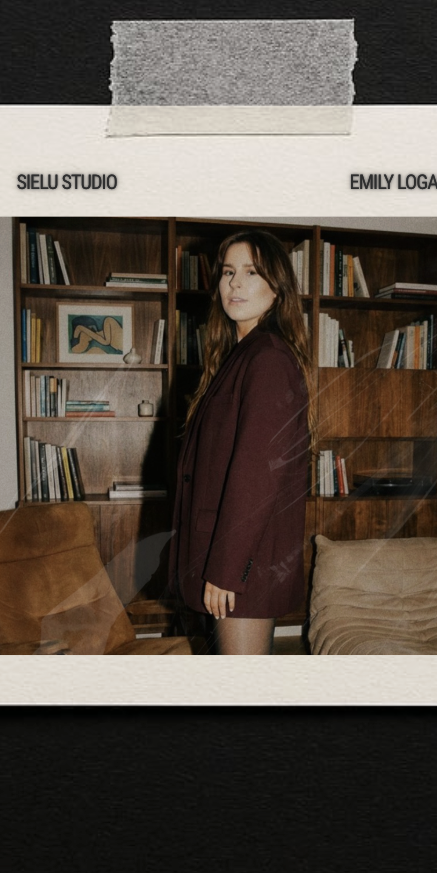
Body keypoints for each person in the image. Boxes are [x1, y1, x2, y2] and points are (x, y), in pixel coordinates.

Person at [168, 229, 314, 655]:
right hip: (228, 558)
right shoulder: (241, 355)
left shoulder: (267, 359)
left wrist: (228, 570)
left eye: (251, 272)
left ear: (277, 288)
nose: (235, 283)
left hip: (242, 566)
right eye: (229, 272)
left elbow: (256, 478)